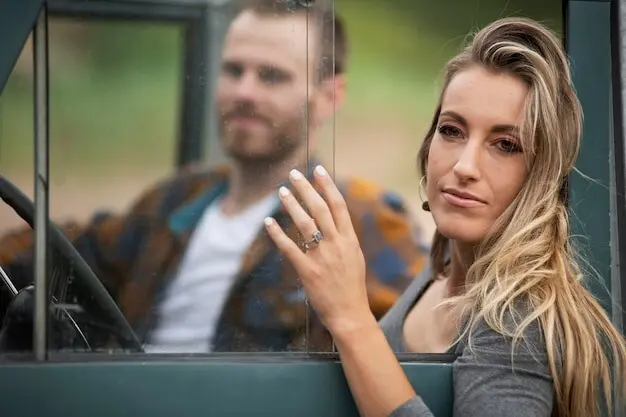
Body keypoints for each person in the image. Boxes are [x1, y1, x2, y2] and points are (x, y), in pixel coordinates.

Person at [0, 0, 428, 353]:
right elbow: (60, 252)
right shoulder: (179, 196)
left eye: (272, 76)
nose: (244, 91)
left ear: (330, 96)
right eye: (233, 70)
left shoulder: (357, 216)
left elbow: (413, 349)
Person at [264, 17, 626, 417]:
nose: (464, 166)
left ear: (541, 175)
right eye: (452, 131)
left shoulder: (515, 318)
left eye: (506, 145)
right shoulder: (448, 263)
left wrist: (351, 319)